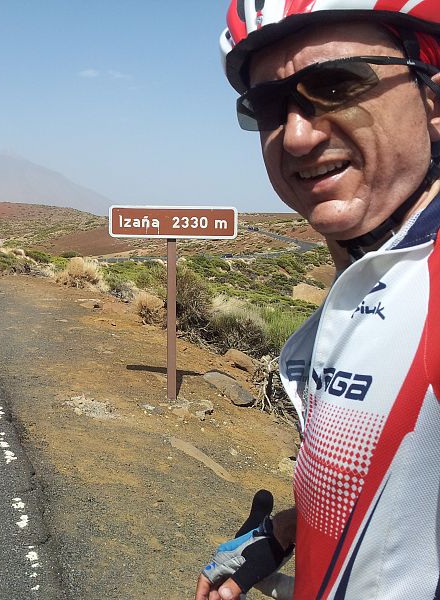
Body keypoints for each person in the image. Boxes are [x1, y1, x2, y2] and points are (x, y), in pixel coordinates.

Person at [197, 3, 440, 599]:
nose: (298, 135)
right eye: (269, 106)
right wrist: (285, 537)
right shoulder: (373, 281)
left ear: (433, 100)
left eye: (335, 84)